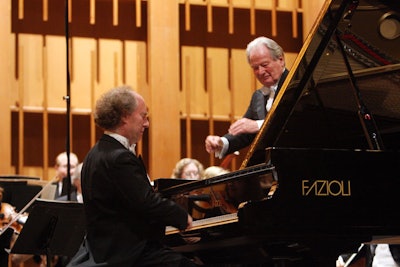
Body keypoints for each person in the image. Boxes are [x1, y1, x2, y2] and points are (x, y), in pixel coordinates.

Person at [67, 85, 197, 267]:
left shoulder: (95, 153)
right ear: (124, 116)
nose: (147, 123)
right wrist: (184, 218)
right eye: (143, 116)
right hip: (128, 254)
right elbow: (146, 202)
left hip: (105, 251)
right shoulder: (119, 157)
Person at [205, 36, 289, 166]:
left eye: (264, 65)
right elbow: (244, 132)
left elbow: (294, 120)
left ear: (281, 60)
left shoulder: (296, 84)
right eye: (255, 68)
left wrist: (257, 125)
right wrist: (221, 142)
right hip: (269, 168)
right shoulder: (258, 96)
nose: (260, 71)